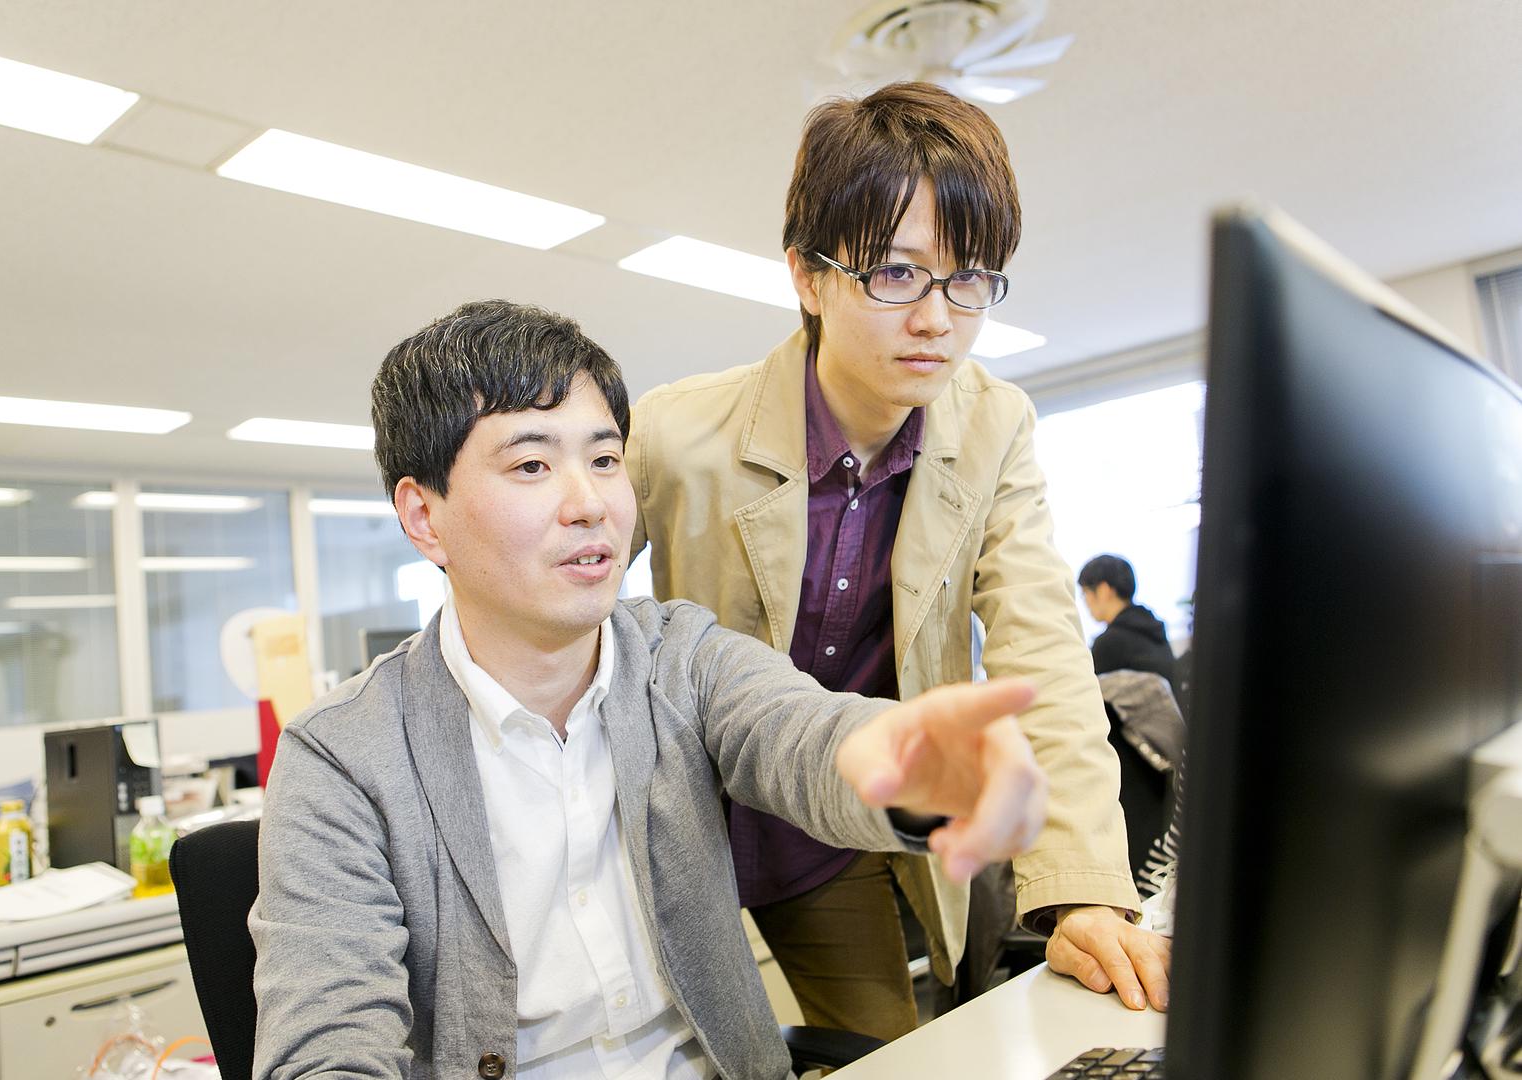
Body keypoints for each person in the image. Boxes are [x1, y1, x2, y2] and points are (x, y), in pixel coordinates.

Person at [250, 299, 1055, 1080]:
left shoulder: (678, 656)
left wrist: (908, 766)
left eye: (604, 460)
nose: (590, 504)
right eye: (531, 466)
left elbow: (798, 732)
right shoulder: (342, 755)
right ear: (425, 517)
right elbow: (326, 1045)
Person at [626, 81, 1168, 1035]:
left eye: (970, 280)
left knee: (884, 1044)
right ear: (808, 275)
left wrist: (1083, 889)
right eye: (896, 274)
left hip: (841, 830)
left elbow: (1043, 652)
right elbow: (552, 601)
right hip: (686, 816)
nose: (937, 320)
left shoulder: (993, 426)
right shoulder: (675, 433)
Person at [1077, 554, 1178, 692]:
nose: (1085, 602)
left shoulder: (1109, 644)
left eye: (1085, 593)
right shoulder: (1156, 633)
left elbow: (1088, 695)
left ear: (1103, 590)